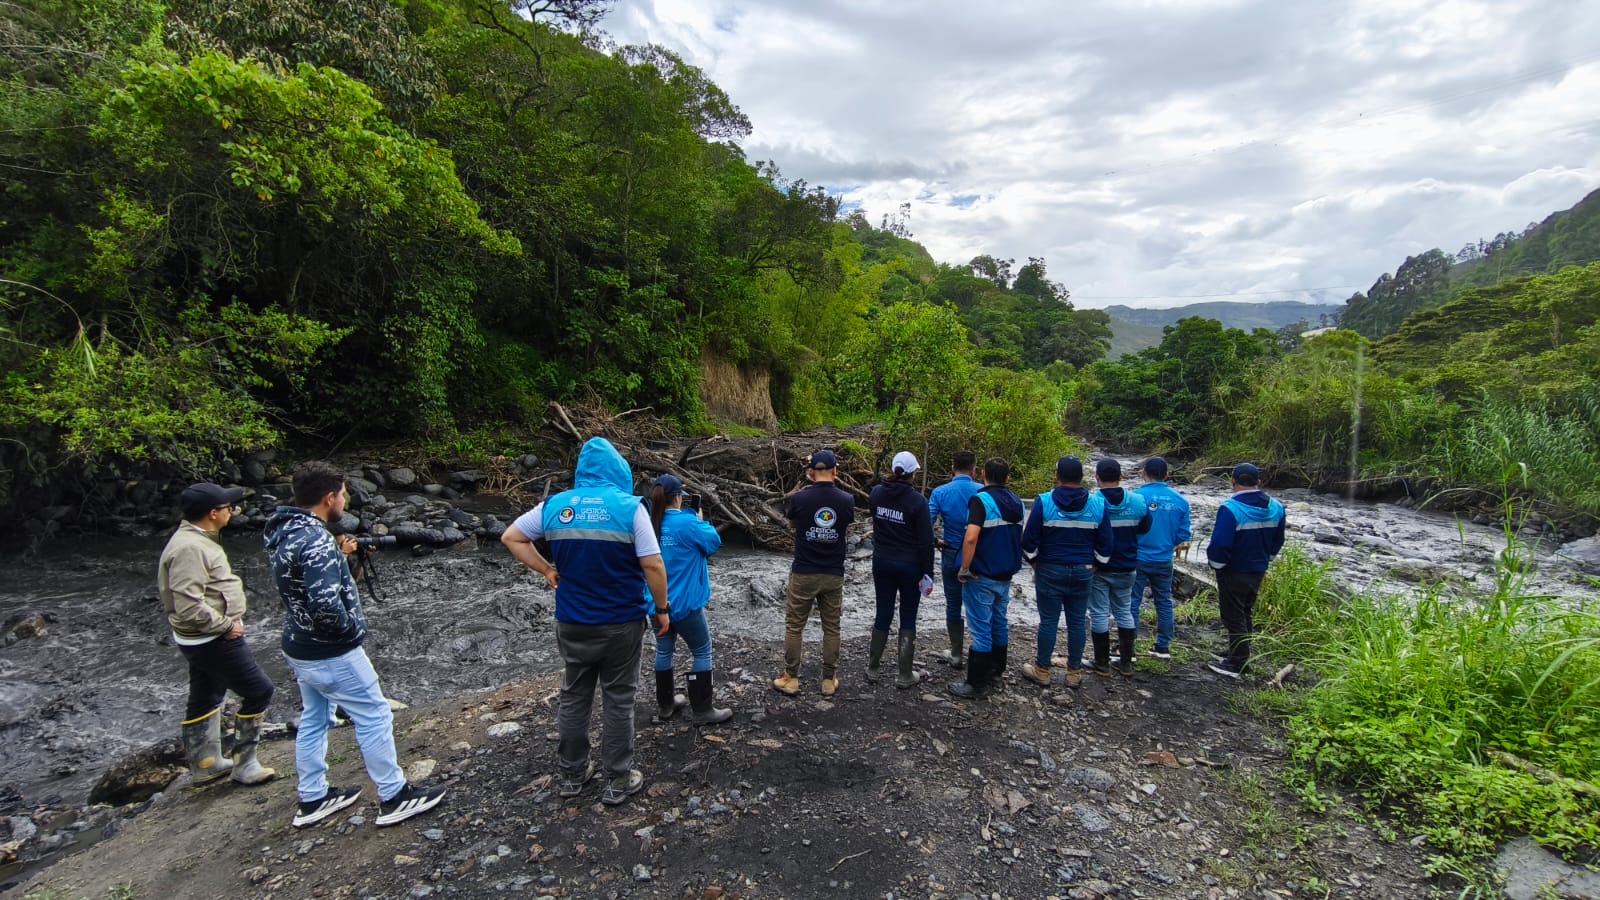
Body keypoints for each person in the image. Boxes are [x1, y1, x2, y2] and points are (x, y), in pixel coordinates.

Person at [266, 461, 446, 829]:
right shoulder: (316, 540)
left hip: (298, 644)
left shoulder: (285, 531)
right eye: (344, 493)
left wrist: (342, 558)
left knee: (315, 719)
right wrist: (351, 632)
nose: (346, 499)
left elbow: (305, 586)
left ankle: (313, 796)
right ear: (330, 497)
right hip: (331, 651)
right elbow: (325, 604)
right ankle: (394, 796)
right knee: (375, 715)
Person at [502, 438, 671, 805]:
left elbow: (511, 536)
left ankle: (572, 774)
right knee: (618, 699)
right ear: (619, 471)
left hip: (572, 621)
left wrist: (547, 569)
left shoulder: (556, 505)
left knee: (574, 696)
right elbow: (653, 564)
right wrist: (662, 609)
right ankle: (618, 778)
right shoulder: (630, 508)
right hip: (620, 622)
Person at [158, 482, 275, 787]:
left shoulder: (194, 539)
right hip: (212, 638)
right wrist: (226, 626)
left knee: (206, 695)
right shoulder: (190, 548)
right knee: (258, 690)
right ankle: (245, 765)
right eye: (228, 508)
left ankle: (205, 764)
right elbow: (187, 604)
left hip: (199, 638)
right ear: (213, 513)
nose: (232, 512)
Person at [1019, 457, 1112, 690]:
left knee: (1049, 621)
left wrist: (1035, 562)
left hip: (1050, 568)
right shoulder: (1098, 504)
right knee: (1078, 621)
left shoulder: (1045, 501)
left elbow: (1029, 541)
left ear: (1057, 475)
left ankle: (1042, 670)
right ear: (1082, 476)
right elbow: (1106, 544)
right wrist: (1096, 564)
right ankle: (1074, 673)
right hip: (1083, 570)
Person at [646, 474, 731, 725]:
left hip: (655, 603)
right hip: (685, 605)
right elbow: (713, 542)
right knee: (702, 650)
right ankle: (703, 710)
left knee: (664, 650)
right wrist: (700, 520)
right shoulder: (688, 523)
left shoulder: (649, 525)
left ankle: (666, 705)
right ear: (678, 497)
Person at [773, 449, 856, 698]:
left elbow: (793, 525)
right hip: (833, 572)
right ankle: (828, 680)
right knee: (832, 628)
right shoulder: (847, 500)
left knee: (795, 626)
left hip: (804, 571)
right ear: (835, 472)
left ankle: (791, 677)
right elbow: (843, 526)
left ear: (811, 473)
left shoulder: (799, 499)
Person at [947, 458, 1025, 700]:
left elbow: (971, 538)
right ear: (1007, 477)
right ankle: (996, 669)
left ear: (982, 475)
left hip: (982, 572)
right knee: (999, 621)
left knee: (980, 628)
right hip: (1005, 572)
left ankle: (975, 683)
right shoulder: (1017, 502)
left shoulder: (981, 500)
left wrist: (964, 568)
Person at [1205, 463, 1287, 679]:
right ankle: (1239, 651)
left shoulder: (1231, 509)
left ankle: (1238, 663)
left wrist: (1216, 564)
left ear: (1233, 482)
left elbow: (1220, 545)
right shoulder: (1277, 507)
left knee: (1233, 615)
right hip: (1258, 568)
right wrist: (1266, 558)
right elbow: (1278, 540)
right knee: (1245, 611)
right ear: (1258, 482)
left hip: (1234, 569)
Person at [867, 451, 936, 689]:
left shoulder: (876, 493)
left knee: (883, 612)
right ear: (913, 473)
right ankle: (904, 673)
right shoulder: (918, 501)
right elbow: (926, 542)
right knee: (908, 615)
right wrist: (928, 575)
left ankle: (873, 668)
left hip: (882, 562)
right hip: (910, 565)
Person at [1091, 459, 1151, 677]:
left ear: (1097, 476)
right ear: (1121, 476)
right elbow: (1144, 528)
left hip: (1100, 566)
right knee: (1124, 611)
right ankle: (1126, 662)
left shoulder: (1094, 501)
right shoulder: (1137, 501)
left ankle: (1102, 662)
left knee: (1099, 612)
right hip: (1127, 565)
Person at [1131, 457, 1192, 659]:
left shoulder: (1136, 497)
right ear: (1166, 475)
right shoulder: (1181, 501)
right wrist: (1167, 543)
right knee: (1164, 601)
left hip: (1138, 556)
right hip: (1164, 558)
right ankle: (1163, 646)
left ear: (1144, 472)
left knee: (1132, 601)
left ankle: (1128, 645)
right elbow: (1183, 535)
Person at [927, 451, 982, 670]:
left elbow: (926, 522)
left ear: (952, 468)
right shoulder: (983, 492)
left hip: (950, 552)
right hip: (978, 555)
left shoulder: (940, 492)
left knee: (953, 604)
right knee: (978, 604)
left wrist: (934, 541)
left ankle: (957, 653)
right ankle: (980, 649)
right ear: (974, 470)